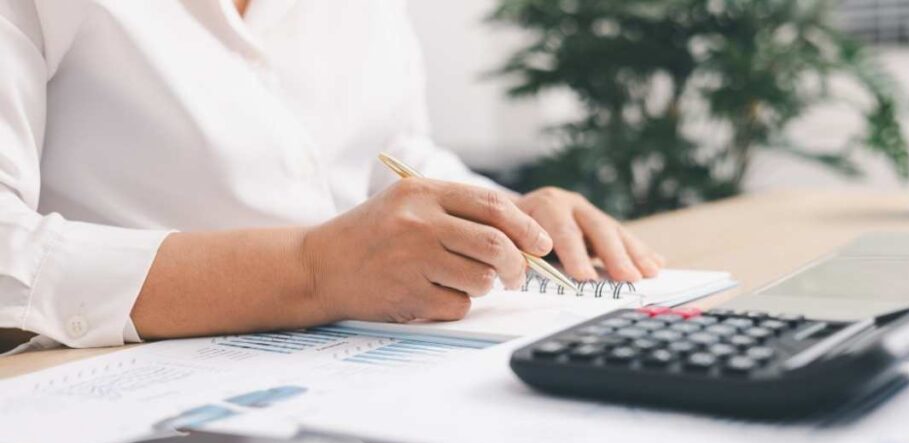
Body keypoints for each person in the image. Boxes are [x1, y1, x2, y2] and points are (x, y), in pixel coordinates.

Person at [0, 0, 663, 352]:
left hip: (362, 392)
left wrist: (503, 216)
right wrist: (312, 269)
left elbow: (394, 154)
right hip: (114, 420)